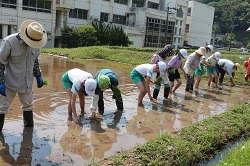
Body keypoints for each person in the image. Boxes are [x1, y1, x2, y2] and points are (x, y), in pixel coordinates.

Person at [0, 20, 47, 132]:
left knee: (28, 106)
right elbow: (0, 62)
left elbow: (35, 61)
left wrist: (38, 75)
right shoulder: (9, 42)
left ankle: (28, 134)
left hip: (27, 83)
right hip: (9, 82)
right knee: (2, 108)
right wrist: (0, 81)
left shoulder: (36, 43)